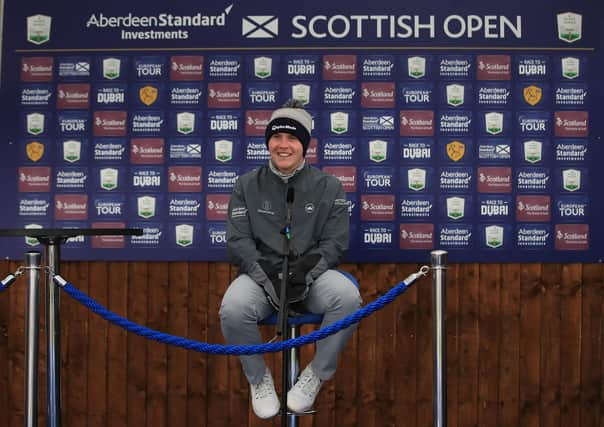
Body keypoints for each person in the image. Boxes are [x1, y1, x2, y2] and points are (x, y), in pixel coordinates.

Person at [220, 99, 362, 419]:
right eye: (277, 137)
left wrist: (307, 271)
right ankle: (259, 379)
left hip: (310, 276)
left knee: (348, 296)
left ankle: (315, 375)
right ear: (268, 141)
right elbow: (238, 241)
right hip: (262, 276)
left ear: (305, 145)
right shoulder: (245, 185)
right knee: (233, 308)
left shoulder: (329, 185)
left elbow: (335, 242)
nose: (283, 145)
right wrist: (264, 272)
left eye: (292, 138)